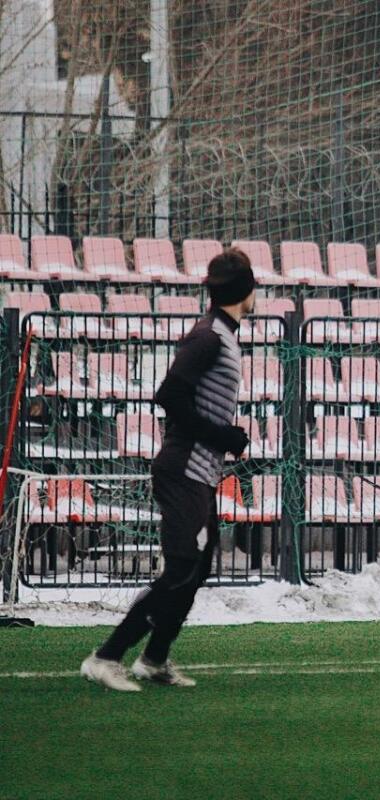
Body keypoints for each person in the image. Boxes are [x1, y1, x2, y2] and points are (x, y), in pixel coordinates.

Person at [81, 249, 255, 691]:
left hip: (200, 472)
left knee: (198, 569)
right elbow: (170, 394)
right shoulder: (209, 337)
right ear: (246, 290)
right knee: (181, 569)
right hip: (184, 470)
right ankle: (106, 657)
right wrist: (223, 435)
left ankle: (155, 659)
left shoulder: (222, 333)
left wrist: (222, 438)